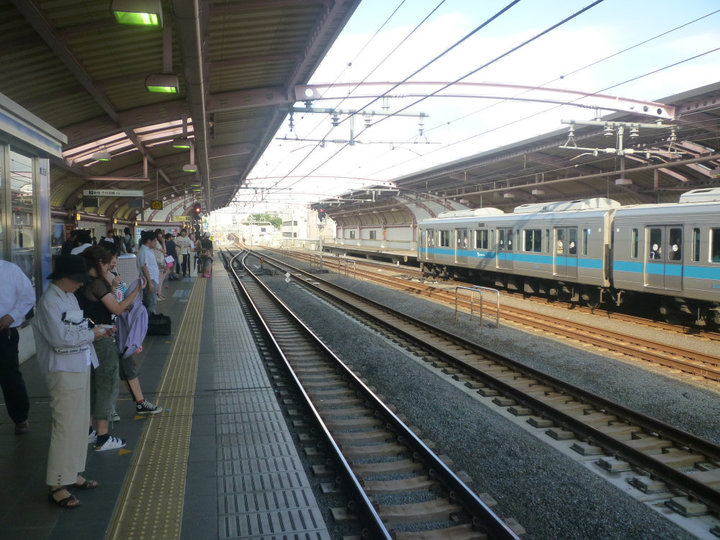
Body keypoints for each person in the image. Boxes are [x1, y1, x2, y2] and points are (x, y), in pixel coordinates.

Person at [32, 255, 109, 508]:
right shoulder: (48, 302)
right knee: (65, 426)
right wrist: (92, 334)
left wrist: (93, 332)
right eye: (77, 280)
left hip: (80, 364)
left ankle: (72, 472)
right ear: (63, 278)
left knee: (79, 425)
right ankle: (56, 483)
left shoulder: (69, 296)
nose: (80, 285)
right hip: (62, 370)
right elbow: (59, 338)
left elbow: (74, 328)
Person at [79, 246, 142, 451]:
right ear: (98, 263)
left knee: (93, 386)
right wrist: (134, 293)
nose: (108, 267)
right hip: (101, 338)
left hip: (87, 338)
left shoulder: (79, 282)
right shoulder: (96, 284)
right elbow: (117, 308)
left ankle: (89, 432)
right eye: (106, 263)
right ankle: (103, 436)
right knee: (106, 384)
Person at [0, 259, 35, 435]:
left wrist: (12, 316)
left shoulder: (10, 270)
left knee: (9, 377)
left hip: (4, 332)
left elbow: (28, 297)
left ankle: (20, 417)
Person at [137, 230, 160, 315]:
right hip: (150, 280)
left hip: (152, 279)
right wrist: (150, 283)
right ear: (149, 241)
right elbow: (144, 267)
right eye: (155, 241)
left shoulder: (148, 250)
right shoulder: (144, 252)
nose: (156, 243)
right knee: (151, 303)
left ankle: (148, 321)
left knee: (150, 301)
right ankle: (150, 322)